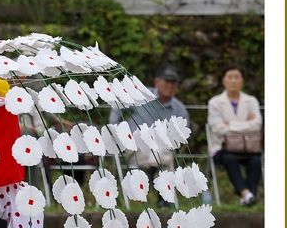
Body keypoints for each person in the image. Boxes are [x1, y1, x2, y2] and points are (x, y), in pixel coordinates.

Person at [109, 64, 190, 207]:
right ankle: (161, 193)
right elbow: (118, 104)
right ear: (157, 82)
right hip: (135, 145)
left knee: (162, 148)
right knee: (156, 148)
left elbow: (182, 136)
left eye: (173, 83)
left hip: (163, 150)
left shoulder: (179, 109)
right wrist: (115, 129)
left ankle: (162, 194)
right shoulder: (141, 96)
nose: (170, 86)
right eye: (167, 81)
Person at [207, 66, 263, 206]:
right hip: (223, 147)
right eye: (229, 77)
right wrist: (245, 124)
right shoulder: (215, 102)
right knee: (229, 158)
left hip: (248, 147)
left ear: (242, 81)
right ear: (223, 81)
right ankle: (246, 193)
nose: (233, 81)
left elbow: (257, 125)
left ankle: (248, 197)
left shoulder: (251, 101)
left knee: (256, 161)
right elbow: (218, 128)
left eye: (236, 77)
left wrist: (230, 125)